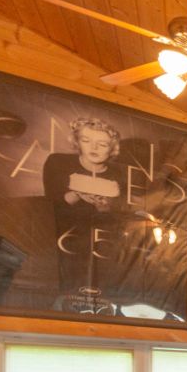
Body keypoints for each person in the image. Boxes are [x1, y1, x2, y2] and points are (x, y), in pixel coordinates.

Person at [42, 117, 128, 308]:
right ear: (77, 142)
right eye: (86, 140)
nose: (94, 148)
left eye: (102, 144)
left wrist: (104, 208)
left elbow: (119, 219)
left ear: (112, 148)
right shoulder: (58, 162)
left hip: (102, 247)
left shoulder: (120, 174)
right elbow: (49, 204)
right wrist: (77, 194)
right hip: (60, 240)